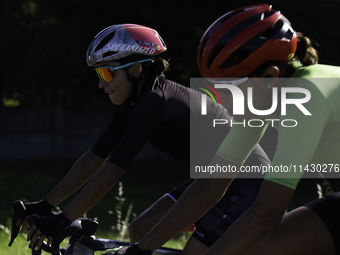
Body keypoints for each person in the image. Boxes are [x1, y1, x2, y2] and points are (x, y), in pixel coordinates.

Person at [21, 23, 273, 253]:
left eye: (107, 74)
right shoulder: (134, 101)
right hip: (214, 179)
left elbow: (113, 172)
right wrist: (46, 205)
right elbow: (95, 156)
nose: (100, 84)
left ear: (135, 69)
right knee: (140, 230)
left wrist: (63, 219)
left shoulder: (154, 101)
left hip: (249, 182)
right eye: (98, 75)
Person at [114, 4, 340, 255]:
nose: (221, 99)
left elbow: (266, 214)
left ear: (270, 76)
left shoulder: (306, 95)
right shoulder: (263, 99)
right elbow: (210, 184)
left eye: (230, 88)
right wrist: (141, 249)